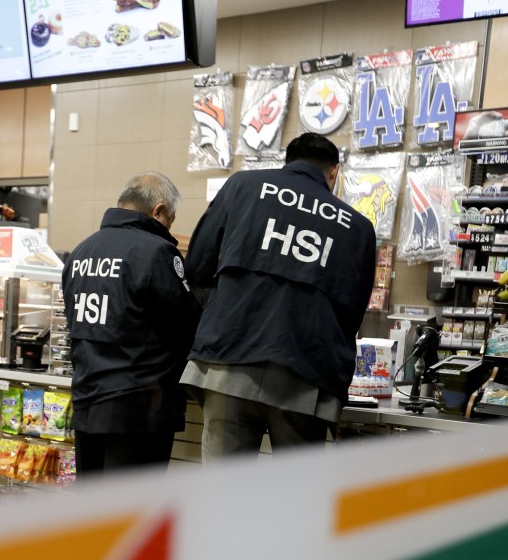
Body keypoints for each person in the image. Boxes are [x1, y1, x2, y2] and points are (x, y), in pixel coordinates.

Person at [181, 133, 377, 460]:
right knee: (293, 499)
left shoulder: (243, 187)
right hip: (306, 376)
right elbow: (354, 312)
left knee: (221, 495)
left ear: (287, 160)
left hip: (230, 361)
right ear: (334, 172)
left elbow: (198, 265)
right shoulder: (357, 227)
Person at [62, 171, 201, 475]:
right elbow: (187, 324)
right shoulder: (156, 253)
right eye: (171, 219)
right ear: (159, 210)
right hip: (139, 407)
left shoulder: (81, 252)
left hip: (87, 399)